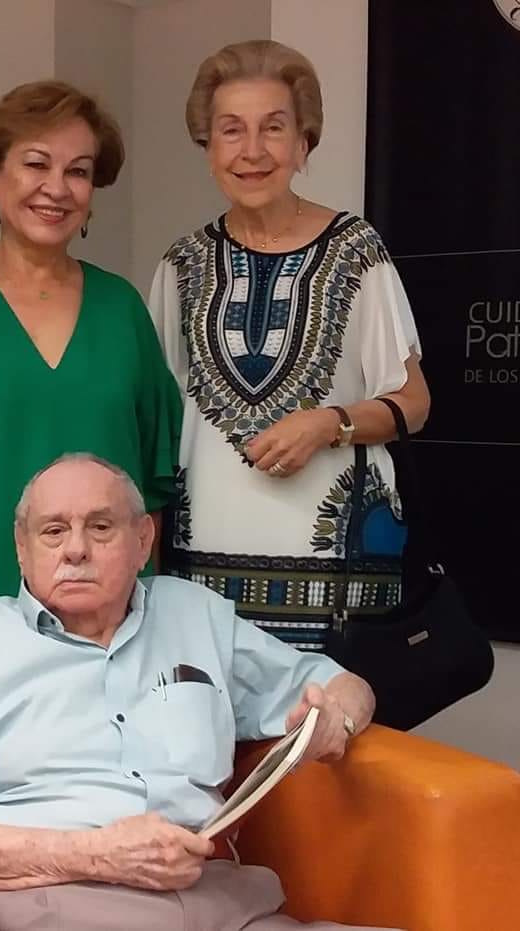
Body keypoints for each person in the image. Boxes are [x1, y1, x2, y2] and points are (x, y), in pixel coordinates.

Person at [0, 454, 395, 931]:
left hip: (224, 904)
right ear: (21, 548)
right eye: (53, 531)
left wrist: (338, 719)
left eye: (100, 527)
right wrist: (96, 854)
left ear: (142, 541)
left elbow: (343, 684)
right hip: (57, 903)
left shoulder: (197, 616)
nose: (75, 550)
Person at [0, 80, 181, 685]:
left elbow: (153, 481)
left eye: (78, 171)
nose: (57, 188)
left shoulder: (121, 306)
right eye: (36, 164)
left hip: (112, 624)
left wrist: (145, 611)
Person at [148, 40, 430, 651]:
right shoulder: (180, 265)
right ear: (208, 148)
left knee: (335, 741)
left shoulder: (358, 250)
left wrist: (329, 424)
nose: (252, 151)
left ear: (304, 143)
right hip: (202, 574)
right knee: (213, 741)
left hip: (340, 576)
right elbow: (161, 415)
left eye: (273, 128)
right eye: (231, 131)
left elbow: (413, 401)